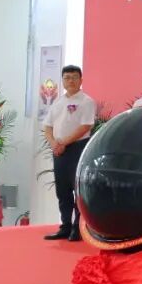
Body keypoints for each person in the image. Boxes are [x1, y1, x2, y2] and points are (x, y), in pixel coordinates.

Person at [42, 65, 97, 242]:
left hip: (78, 148)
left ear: (81, 80)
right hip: (59, 150)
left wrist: (64, 142)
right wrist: (54, 144)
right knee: (62, 190)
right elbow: (47, 127)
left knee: (77, 189)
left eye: (74, 77)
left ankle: (77, 228)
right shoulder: (58, 102)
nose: (70, 81)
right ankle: (65, 226)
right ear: (63, 80)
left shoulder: (87, 101)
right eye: (67, 78)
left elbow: (86, 126)